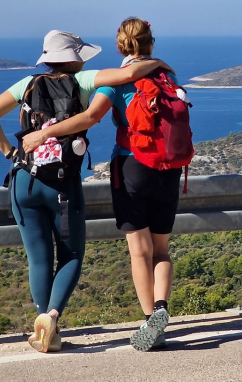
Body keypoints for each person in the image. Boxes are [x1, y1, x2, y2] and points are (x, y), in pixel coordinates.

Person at [0, 30, 168, 353]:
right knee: (71, 256)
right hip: (62, 188)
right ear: (71, 58)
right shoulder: (83, 81)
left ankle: (46, 327)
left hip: (24, 183)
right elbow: (127, 73)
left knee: (38, 261)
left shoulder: (27, 84)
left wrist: (11, 153)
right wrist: (157, 62)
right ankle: (52, 316)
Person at [21, 18, 186, 352]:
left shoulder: (114, 82)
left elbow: (88, 118)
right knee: (162, 250)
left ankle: (147, 320)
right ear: (151, 43)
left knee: (139, 251)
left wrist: (43, 133)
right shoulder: (168, 76)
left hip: (131, 167)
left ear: (120, 47)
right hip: (169, 168)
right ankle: (161, 309)